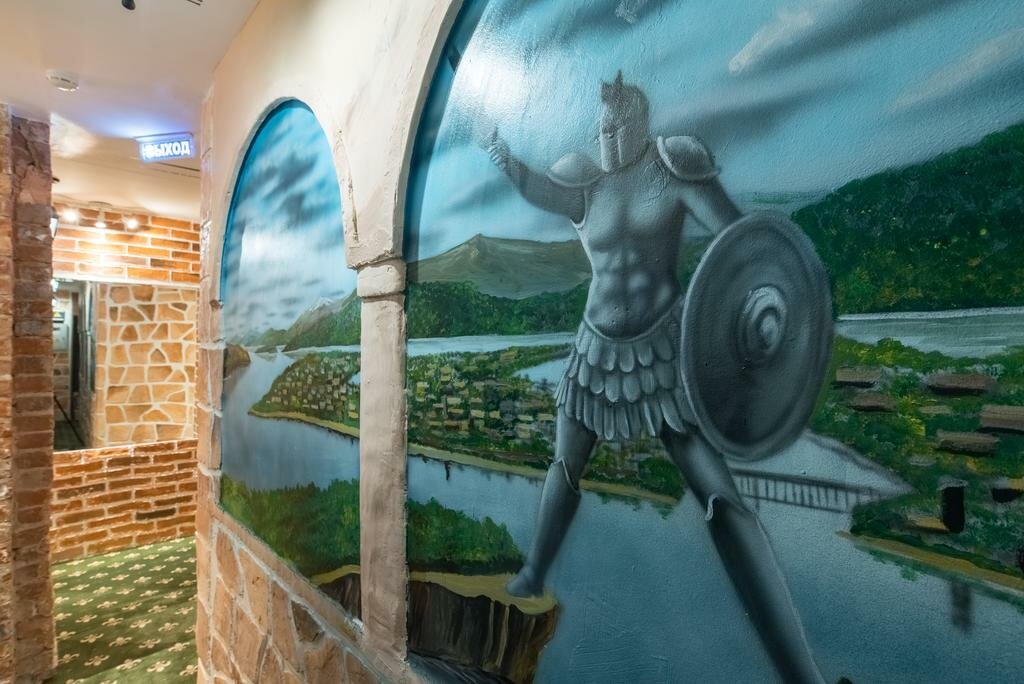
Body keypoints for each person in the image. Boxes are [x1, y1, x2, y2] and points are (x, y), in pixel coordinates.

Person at [483, 72, 825, 684]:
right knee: (564, 465)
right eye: (602, 127)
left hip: (664, 347)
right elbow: (541, 191)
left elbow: (737, 240)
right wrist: (506, 159)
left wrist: (765, 307)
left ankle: (797, 669)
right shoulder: (584, 184)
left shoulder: (674, 166)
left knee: (718, 495)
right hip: (595, 350)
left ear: (640, 121)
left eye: (619, 124)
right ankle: (534, 572)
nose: (609, 135)